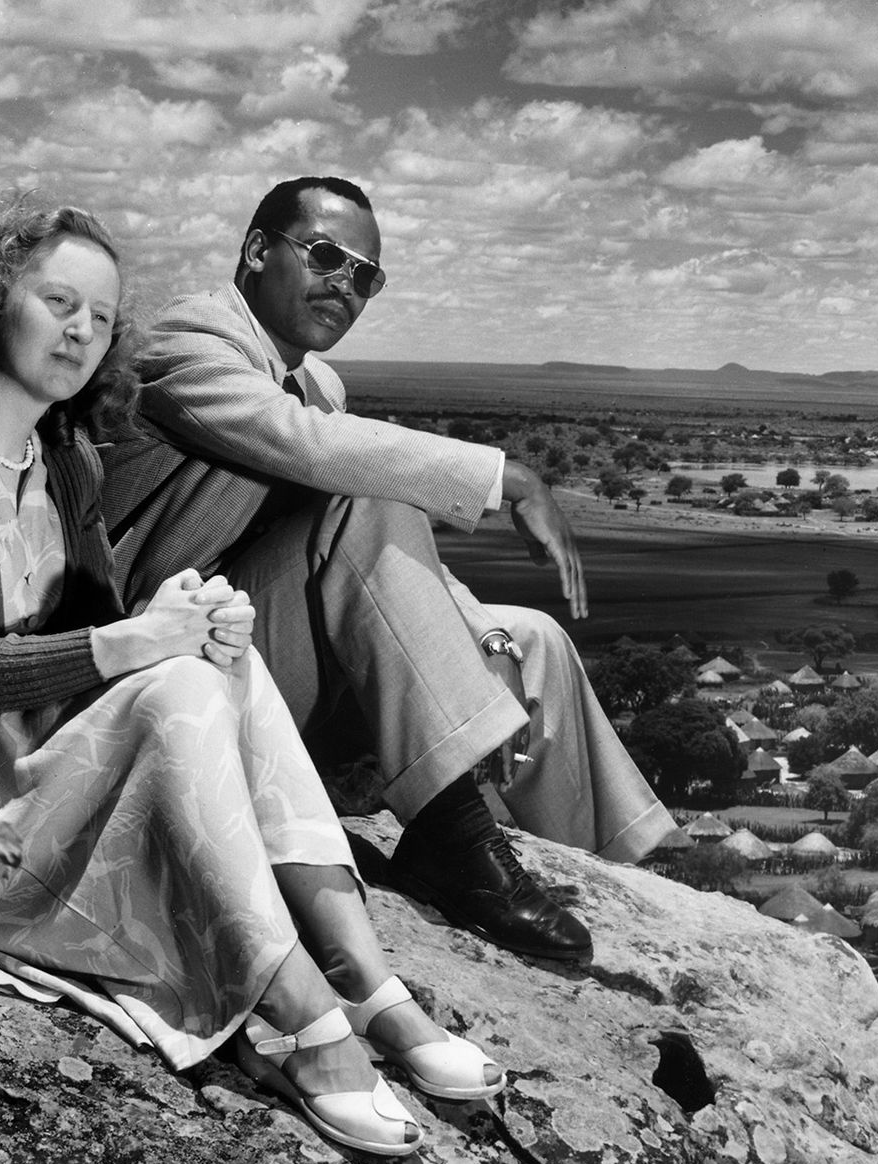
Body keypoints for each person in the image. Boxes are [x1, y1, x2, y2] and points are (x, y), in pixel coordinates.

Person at [0, 195, 505, 1158]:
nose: (80, 332)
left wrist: (191, 629)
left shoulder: (60, 454)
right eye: (57, 300)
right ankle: (299, 1013)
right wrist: (136, 646)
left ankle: (370, 984)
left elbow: (93, 628)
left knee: (218, 668)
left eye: (100, 319)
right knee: (178, 676)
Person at [100, 177, 676, 964]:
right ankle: (452, 837)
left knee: (529, 639)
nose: (345, 282)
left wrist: (478, 648)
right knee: (368, 494)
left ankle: (621, 880)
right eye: (327, 255)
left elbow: (366, 568)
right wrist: (509, 477)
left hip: (265, 656)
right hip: (170, 671)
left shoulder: (319, 381)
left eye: (365, 275)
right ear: (258, 250)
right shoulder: (189, 342)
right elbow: (307, 449)